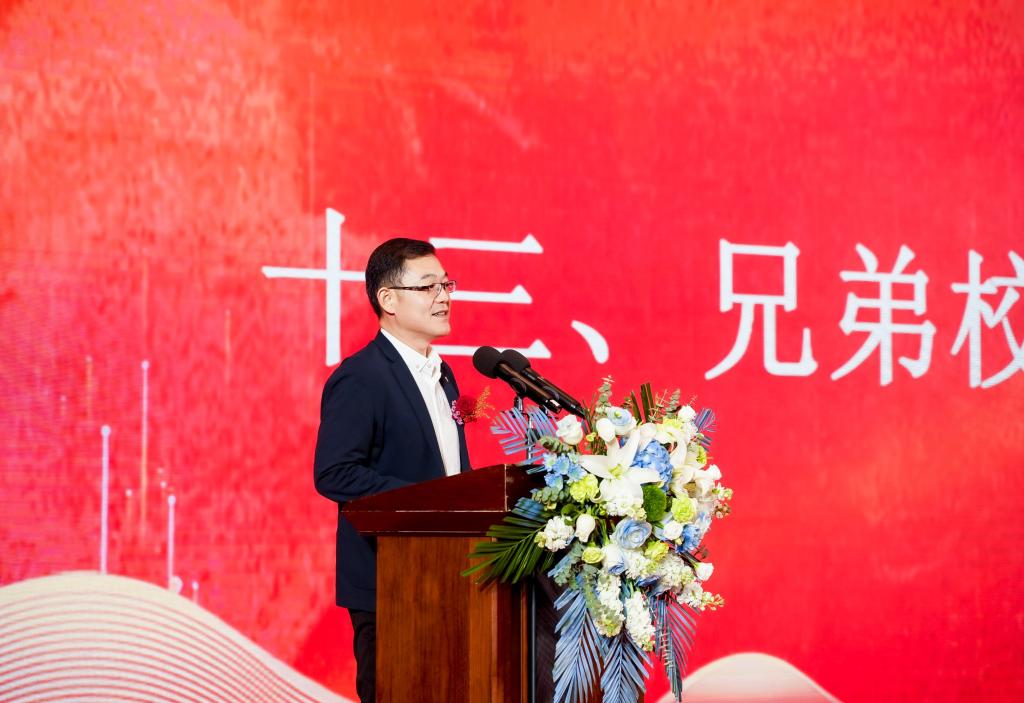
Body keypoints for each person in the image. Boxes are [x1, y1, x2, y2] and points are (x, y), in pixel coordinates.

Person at [313, 238, 470, 703]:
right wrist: (427, 503)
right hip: (391, 584)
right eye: (428, 287)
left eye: (446, 285)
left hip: (448, 576)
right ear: (388, 300)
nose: (443, 297)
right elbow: (335, 472)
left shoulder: (444, 376)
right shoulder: (362, 376)